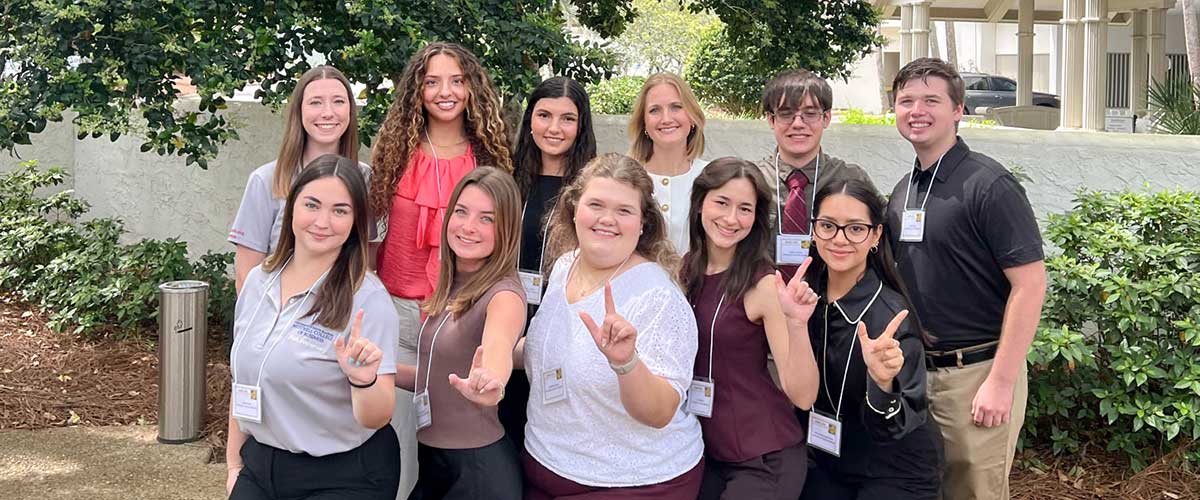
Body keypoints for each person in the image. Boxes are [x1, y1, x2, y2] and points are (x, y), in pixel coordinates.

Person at [885, 58, 1046, 500]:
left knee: (975, 493)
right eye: (906, 101)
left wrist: (1001, 381)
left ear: (958, 109)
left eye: (931, 100)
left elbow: (1030, 285)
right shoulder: (906, 190)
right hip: (919, 374)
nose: (917, 110)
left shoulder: (989, 184)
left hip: (977, 374)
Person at [368, 41, 512, 496]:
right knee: (392, 443)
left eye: (456, 80)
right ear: (417, 90)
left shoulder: (489, 154)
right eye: (432, 82)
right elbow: (373, 238)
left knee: (446, 445)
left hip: (459, 320)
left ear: (472, 88)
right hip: (398, 313)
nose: (444, 91)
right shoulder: (394, 152)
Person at [520, 153, 703, 499]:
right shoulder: (564, 266)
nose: (607, 219)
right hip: (546, 466)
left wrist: (626, 363)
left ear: (643, 222)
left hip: (634, 483)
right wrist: (487, 354)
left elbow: (660, 411)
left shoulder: (658, 297)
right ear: (574, 208)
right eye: (596, 204)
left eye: (624, 210)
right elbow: (544, 346)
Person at [225, 155, 400, 499]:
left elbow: (377, 416)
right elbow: (242, 381)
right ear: (292, 209)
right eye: (312, 204)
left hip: (343, 474)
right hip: (262, 464)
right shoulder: (259, 283)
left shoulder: (367, 299)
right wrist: (234, 463)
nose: (322, 221)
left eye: (340, 210)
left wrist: (362, 380)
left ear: (355, 223)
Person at [679, 157, 820, 500]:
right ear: (700, 204)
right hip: (703, 452)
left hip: (764, 458)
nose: (731, 219)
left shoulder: (764, 284)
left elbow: (802, 395)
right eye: (722, 202)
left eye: (745, 208)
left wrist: (797, 325)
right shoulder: (685, 270)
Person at [798, 178, 943, 499]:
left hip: (895, 468)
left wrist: (883, 383)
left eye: (855, 228)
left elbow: (896, 425)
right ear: (813, 229)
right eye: (828, 226)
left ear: (875, 235)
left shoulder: (890, 316)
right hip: (830, 458)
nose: (839, 239)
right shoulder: (806, 297)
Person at [395, 167, 526, 500]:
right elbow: (436, 376)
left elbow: (497, 348)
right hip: (434, 465)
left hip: (477, 475)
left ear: (507, 229)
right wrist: (376, 369)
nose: (469, 227)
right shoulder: (453, 284)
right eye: (461, 212)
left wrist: (491, 380)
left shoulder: (503, 295)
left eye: (487, 219)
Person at [502, 76, 597, 450]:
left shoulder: (591, 188)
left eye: (567, 119)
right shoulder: (508, 179)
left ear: (581, 125)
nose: (554, 128)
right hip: (506, 320)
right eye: (544, 115)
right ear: (530, 121)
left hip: (563, 325)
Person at [229, 65, 373, 293]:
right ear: (299, 111)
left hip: (341, 315)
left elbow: (366, 261)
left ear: (350, 110)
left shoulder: (365, 178)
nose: (328, 112)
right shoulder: (266, 180)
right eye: (315, 102)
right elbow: (246, 273)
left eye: (338, 101)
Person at [757, 69, 873, 277]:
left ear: (826, 118)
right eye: (786, 114)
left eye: (810, 114)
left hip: (833, 302)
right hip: (764, 302)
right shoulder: (752, 180)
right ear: (771, 120)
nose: (798, 124)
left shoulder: (850, 178)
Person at [628, 73, 707, 253]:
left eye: (676, 107)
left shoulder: (712, 176)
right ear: (644, 123)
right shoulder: (624, 178)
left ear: (692, 117)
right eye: (654, 110)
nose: (666, 119)